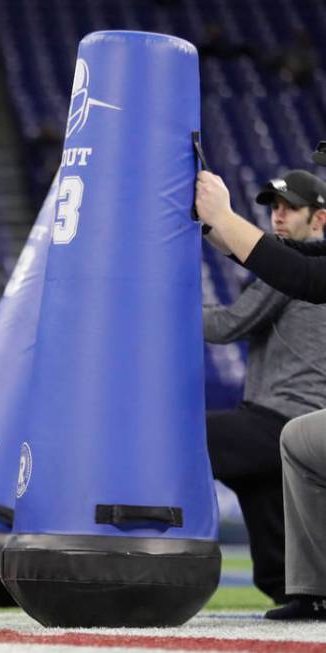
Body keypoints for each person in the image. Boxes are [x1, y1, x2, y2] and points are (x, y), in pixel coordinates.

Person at [196, 158, 326, 620]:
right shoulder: (300, 257)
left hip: (282, 416)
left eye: (290, 207)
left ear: (319, 217)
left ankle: (122, 548)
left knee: (181, 440)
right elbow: (284, 257)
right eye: (274, 207)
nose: (278, 215)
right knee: (278, 568)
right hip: (289, 423)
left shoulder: (292, 270)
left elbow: (228, 324)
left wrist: (162, 302)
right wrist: (213, 231)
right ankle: (303, 593)